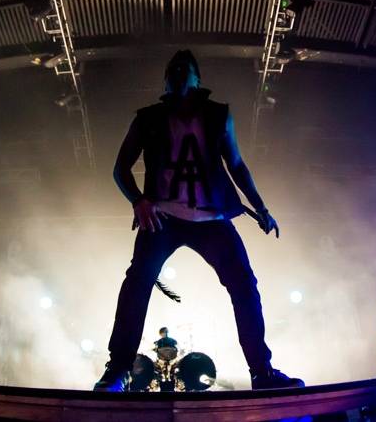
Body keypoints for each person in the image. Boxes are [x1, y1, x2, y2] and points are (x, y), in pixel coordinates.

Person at [94, 50, 303, 392]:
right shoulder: (148, 118)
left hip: (212, 218)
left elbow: (236, 164)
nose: (177, 74)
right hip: (162, 217)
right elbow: (120, 169)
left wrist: (261, 208)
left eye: (184, 69)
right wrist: (139, 200)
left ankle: (262, 372)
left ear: (197, 78)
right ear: (165, 82)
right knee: (136, 285)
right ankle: (118, 370)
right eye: (172, 70)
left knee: (244, 286)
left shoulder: (218, 114)